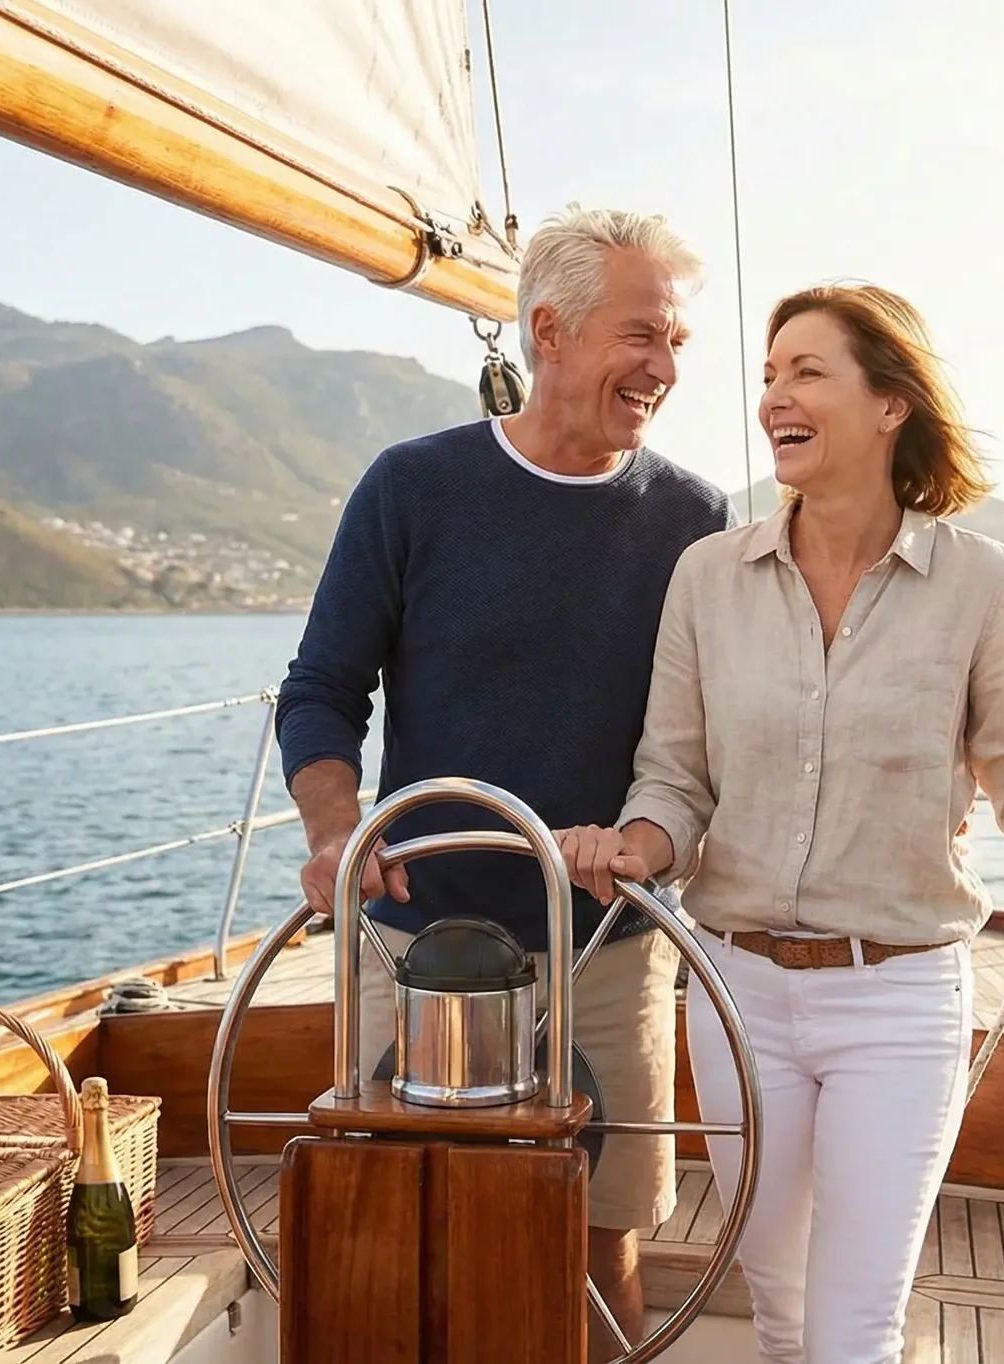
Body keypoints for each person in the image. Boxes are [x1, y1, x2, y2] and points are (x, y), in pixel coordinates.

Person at [555, 284, 1004, 1363]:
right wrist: (637, 845)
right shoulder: (707, 578)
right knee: (778, 1309)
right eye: (769, 375)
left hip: (897, 998)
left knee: (853, 1326)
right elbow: (673, 778)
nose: (775, 395)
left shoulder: (980, 583)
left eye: (807, 371)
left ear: (888, 405)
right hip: (738, 994)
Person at [276, 206, 732, 1352]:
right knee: (395, 1230)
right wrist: (340, 835)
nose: (665, 369)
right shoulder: (412, 487)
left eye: (676, 342)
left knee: (599, 1236)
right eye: (643, 335)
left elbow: (706, 742)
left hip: (608, 946)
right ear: (550, 332)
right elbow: (322, 689)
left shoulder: (695, 520)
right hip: (410, 940)